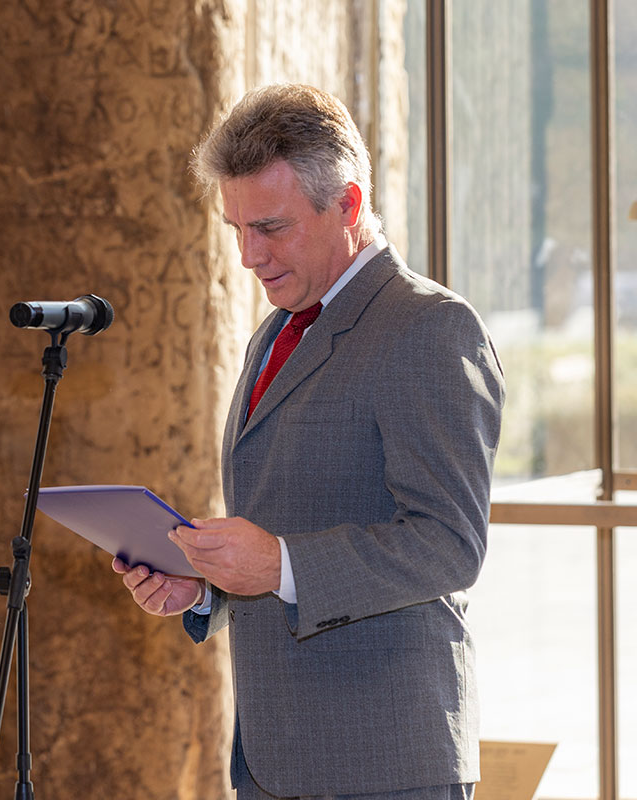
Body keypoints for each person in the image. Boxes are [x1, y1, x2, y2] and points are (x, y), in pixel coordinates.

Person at [113, 84, 505, 799]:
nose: (248, 255)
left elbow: (449, 544)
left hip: (386, 764)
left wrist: (279, 564)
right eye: (236, 228)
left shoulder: (430, 327)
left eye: (270, 227)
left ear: (348, 206)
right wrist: (204, 587)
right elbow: (286, 523)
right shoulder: (275, 331)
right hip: (272, 760)